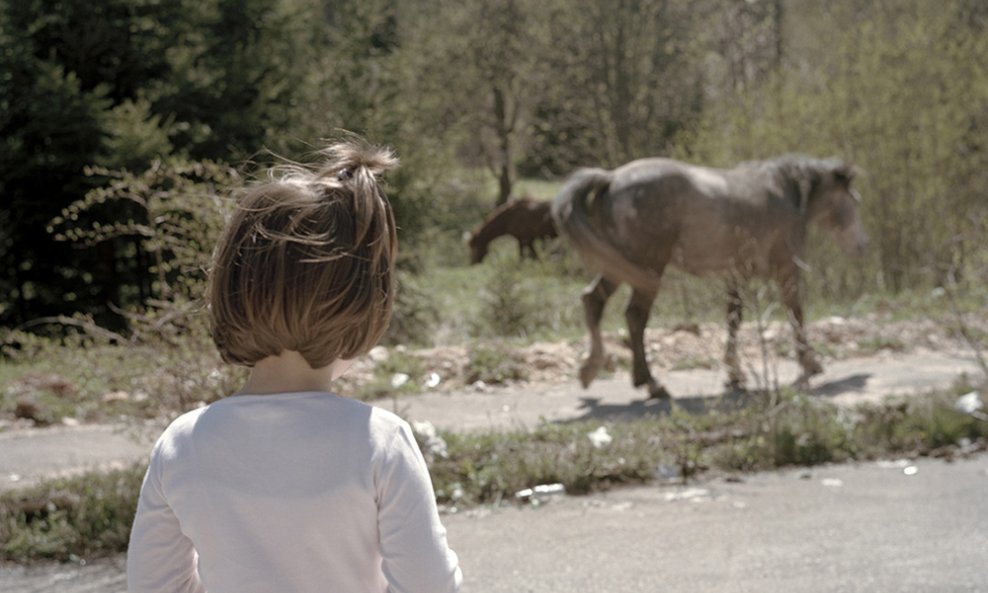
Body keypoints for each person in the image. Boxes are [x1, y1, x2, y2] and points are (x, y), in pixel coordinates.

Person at [127, 139, 462, 593]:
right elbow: (431, 586)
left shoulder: (182, 444)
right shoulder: (379, 442)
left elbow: (154, 586)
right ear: (362, 305)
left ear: (229, 290)